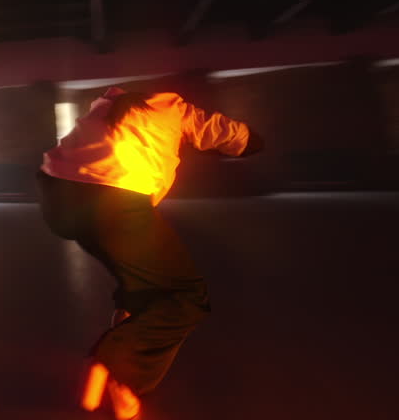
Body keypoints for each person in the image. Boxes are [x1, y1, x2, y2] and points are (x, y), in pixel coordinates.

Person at [37, 88, 264, 420]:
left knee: (141, 286)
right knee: (186, 295)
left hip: (55, 197)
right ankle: (113, 362)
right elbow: (230, 135)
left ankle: (122, 387)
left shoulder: (105, 106)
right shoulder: (175, 108)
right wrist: (255, 142)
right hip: (114, 200)